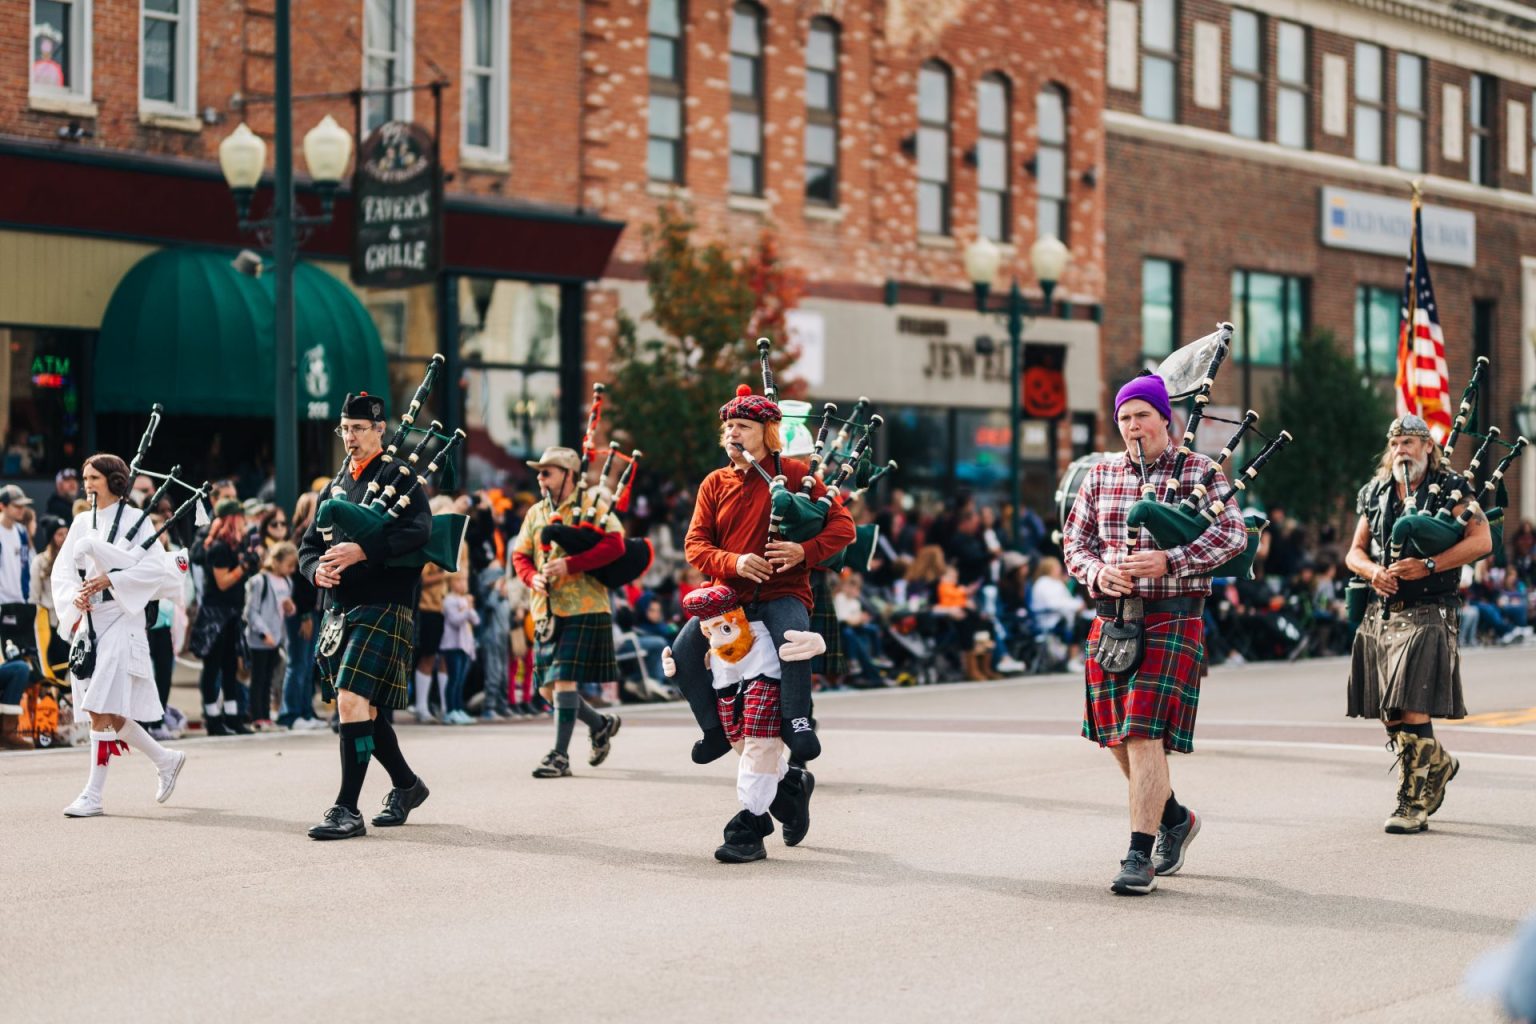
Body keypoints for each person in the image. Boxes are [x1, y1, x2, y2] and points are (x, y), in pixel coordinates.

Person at [1061, 371, 1247, 895]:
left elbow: (1233, 535)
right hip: (1114, 615)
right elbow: (1075, 544)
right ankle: (1175, 819)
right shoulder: (1099, 476)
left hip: (1175, 614)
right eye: (1124, 417)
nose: (1132, 426)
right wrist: (1098, 572)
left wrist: (1171, 559)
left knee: (1143, 731)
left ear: (1166, 419)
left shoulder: (1200, 471)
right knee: (1115, 735)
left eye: (1142, 415)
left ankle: (1138, 856)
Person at [663, 382, 855, 856]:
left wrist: (802, 551)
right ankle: (714, 731)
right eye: (728, 426)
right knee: (686, 653)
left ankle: (797, 722)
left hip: (780, 591)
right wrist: (732, 562)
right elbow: (695, 545)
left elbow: (843, 527)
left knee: (793, 638)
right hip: (726, 598)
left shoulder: (795, 475)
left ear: (770, 433)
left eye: (743, 426)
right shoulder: (714, 483)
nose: (732, 433)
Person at [1343, 413, 1491, 834]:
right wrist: (1373, 572)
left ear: (1429, 446)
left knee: (1411, 703)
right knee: (1388, 711)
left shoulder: (1452, 488)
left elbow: (1481, 540)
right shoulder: (1374, 492)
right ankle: (1438, 762)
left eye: (1410, 442)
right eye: (1396, 444)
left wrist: (1427, 565)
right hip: (1381, 608)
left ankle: (1413, 801)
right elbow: (1354, 551)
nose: (1401, 450)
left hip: (1430, 608)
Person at [297, 392, 432, 840]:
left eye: (358, 428)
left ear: (380, 429)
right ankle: (407, 786)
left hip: (384, 603)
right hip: (339, 608)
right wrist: (316, 571)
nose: (350, 437)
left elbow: (418, 532)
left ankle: (346, 809)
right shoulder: (333, 487)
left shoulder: (400, 477)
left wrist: (363, 549)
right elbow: (308, 547)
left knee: (351, 700)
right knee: (364, 710)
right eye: (345, 428)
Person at [52, 454, 189, 817]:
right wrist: (76, 596)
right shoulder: (82, 521)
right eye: (84, 477)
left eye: (93, 477)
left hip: (124, 617)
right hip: (91, 618)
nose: (87, 483)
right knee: (107, 708)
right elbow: (63, 571)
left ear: (115, 481)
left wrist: (112, 578)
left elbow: (157, 569)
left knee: (100, 706)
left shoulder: (137, 521)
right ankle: (165, 759)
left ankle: (93, 795)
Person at [510, 446, 625, 778]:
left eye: (547, 472)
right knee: (548, 689)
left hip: (584, 606)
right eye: (539, 472)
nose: (540, 478)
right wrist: (533, 578)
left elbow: (616, 544)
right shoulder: (535, 513)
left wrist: (571, 564)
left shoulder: (592, 506)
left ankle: (559, 756)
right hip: (546, 609)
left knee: (562, 680)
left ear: (568, 474)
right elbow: (521, 556)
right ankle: (600, 724)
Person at [189, 500, 257, 736]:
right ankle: (213, 719)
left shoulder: (236, 544)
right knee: (213, 667)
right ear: (232, 518)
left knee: (230, 666)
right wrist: (244, 567)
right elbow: (223, 582)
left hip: (231, 614)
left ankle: (233, 717)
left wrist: (248, 564)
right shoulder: (218, 546)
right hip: (215, 616)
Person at [278, 491, 325, 730]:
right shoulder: (299, 540)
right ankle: (290, 713)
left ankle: (306, 711)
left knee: (309, 663)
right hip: (300, 612)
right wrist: (305, 614)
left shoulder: (321, 537)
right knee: (298, 662)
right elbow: (298, 584)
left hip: (314, 611)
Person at [244, 541, 297, 730]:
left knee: (268, 678)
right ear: (276, 561)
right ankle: (257, 716)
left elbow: (285, 609)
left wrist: (290, 608)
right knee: (258, 678)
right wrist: (263, 632)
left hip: (276, 638)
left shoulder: (287, 582)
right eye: (289, 565)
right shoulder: (260, 581)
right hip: (261, 639)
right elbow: (251, 611)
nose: (291, 570)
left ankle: (265, 716)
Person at [439, 572, 480, 725]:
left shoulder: (463, 600)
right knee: (454, 679)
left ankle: (458, 708)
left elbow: (476, 620)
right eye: (459, 580)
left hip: (465, 645)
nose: (463, 583)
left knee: (461, 680)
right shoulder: (449, 600)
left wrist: (469, 607)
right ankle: (450, 711)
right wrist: (467, 608)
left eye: (464, 580)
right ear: (451, 583)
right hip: (452, 645)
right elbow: (456, 620)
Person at [0, 484, 35, 604]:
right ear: (2, 506)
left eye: (23, 505)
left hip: (21, 601)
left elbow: (26, 565)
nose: (22, 509)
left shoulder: (21, 531)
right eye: (17, 506)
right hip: (2, 603)